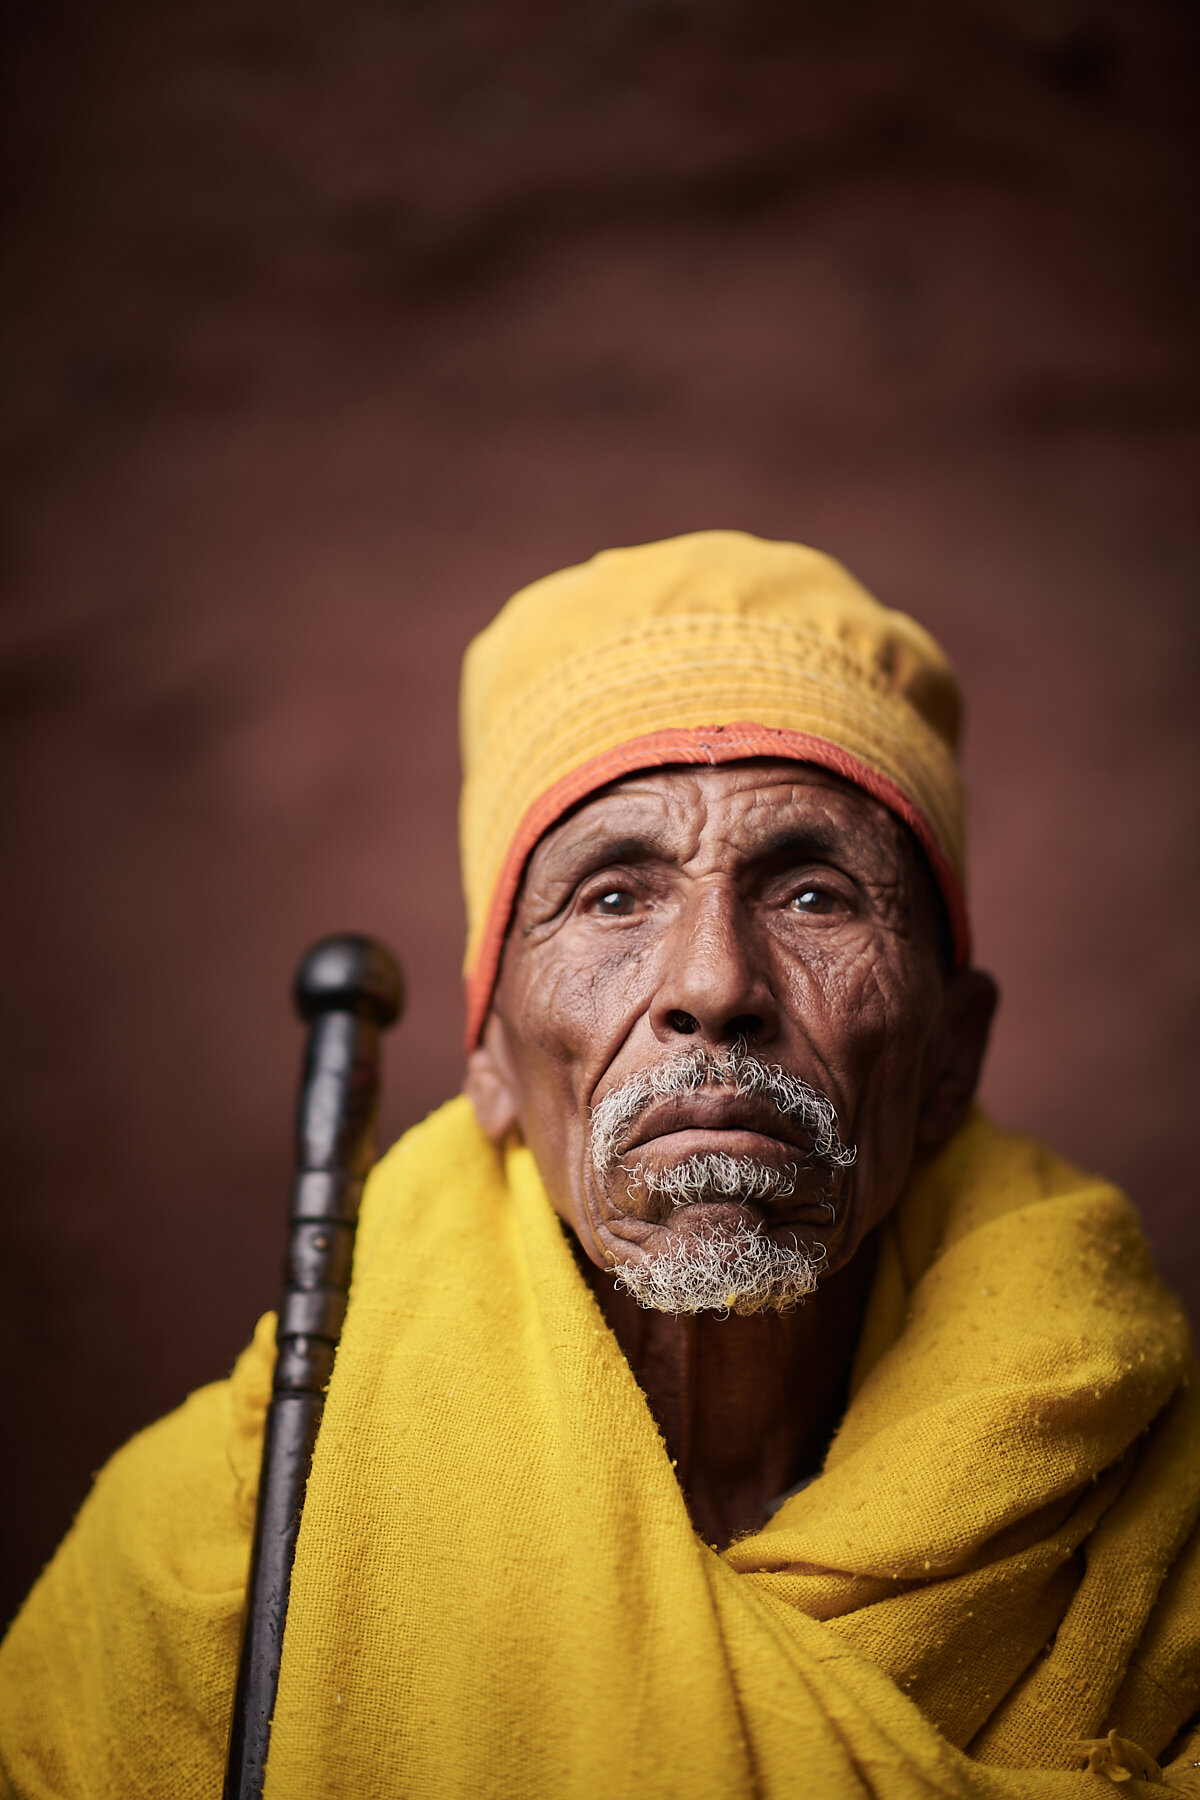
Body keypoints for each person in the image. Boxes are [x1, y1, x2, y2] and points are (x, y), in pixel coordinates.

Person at [2, 531, 1198, 1799]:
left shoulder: (1144, 1513)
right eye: (614, 897)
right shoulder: (208, 1554)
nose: (713, 984)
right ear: (492, 1062)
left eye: (814, 897)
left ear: (954, 1054)